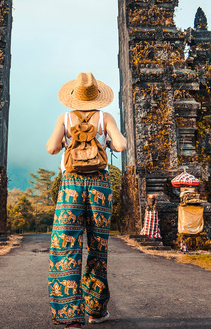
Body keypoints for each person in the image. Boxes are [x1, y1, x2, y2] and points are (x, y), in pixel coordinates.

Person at [46, 72, 127, 328]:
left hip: (70, 183)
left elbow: (51, 148)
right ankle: (96, 310)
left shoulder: (65, 118)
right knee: (97, 246)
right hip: (100, 186)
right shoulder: (105, 118)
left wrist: (63, 143)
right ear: (96, 96)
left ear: (74, 97)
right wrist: (110, 142)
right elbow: (122, 146)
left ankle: (71, 319)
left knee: (66, 246)